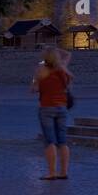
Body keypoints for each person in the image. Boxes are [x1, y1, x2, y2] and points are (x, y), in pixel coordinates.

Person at [30, 46, 73, 180]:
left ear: (45, 58)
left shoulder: (41, 71)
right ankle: (64, 172)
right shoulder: (63, 70)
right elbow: (68, 54)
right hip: (62, 107)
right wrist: (56, 50)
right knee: (63, 141)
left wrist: (35, 81)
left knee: (50, 141)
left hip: (47, 108)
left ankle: (52, 172)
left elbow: (33, 89)